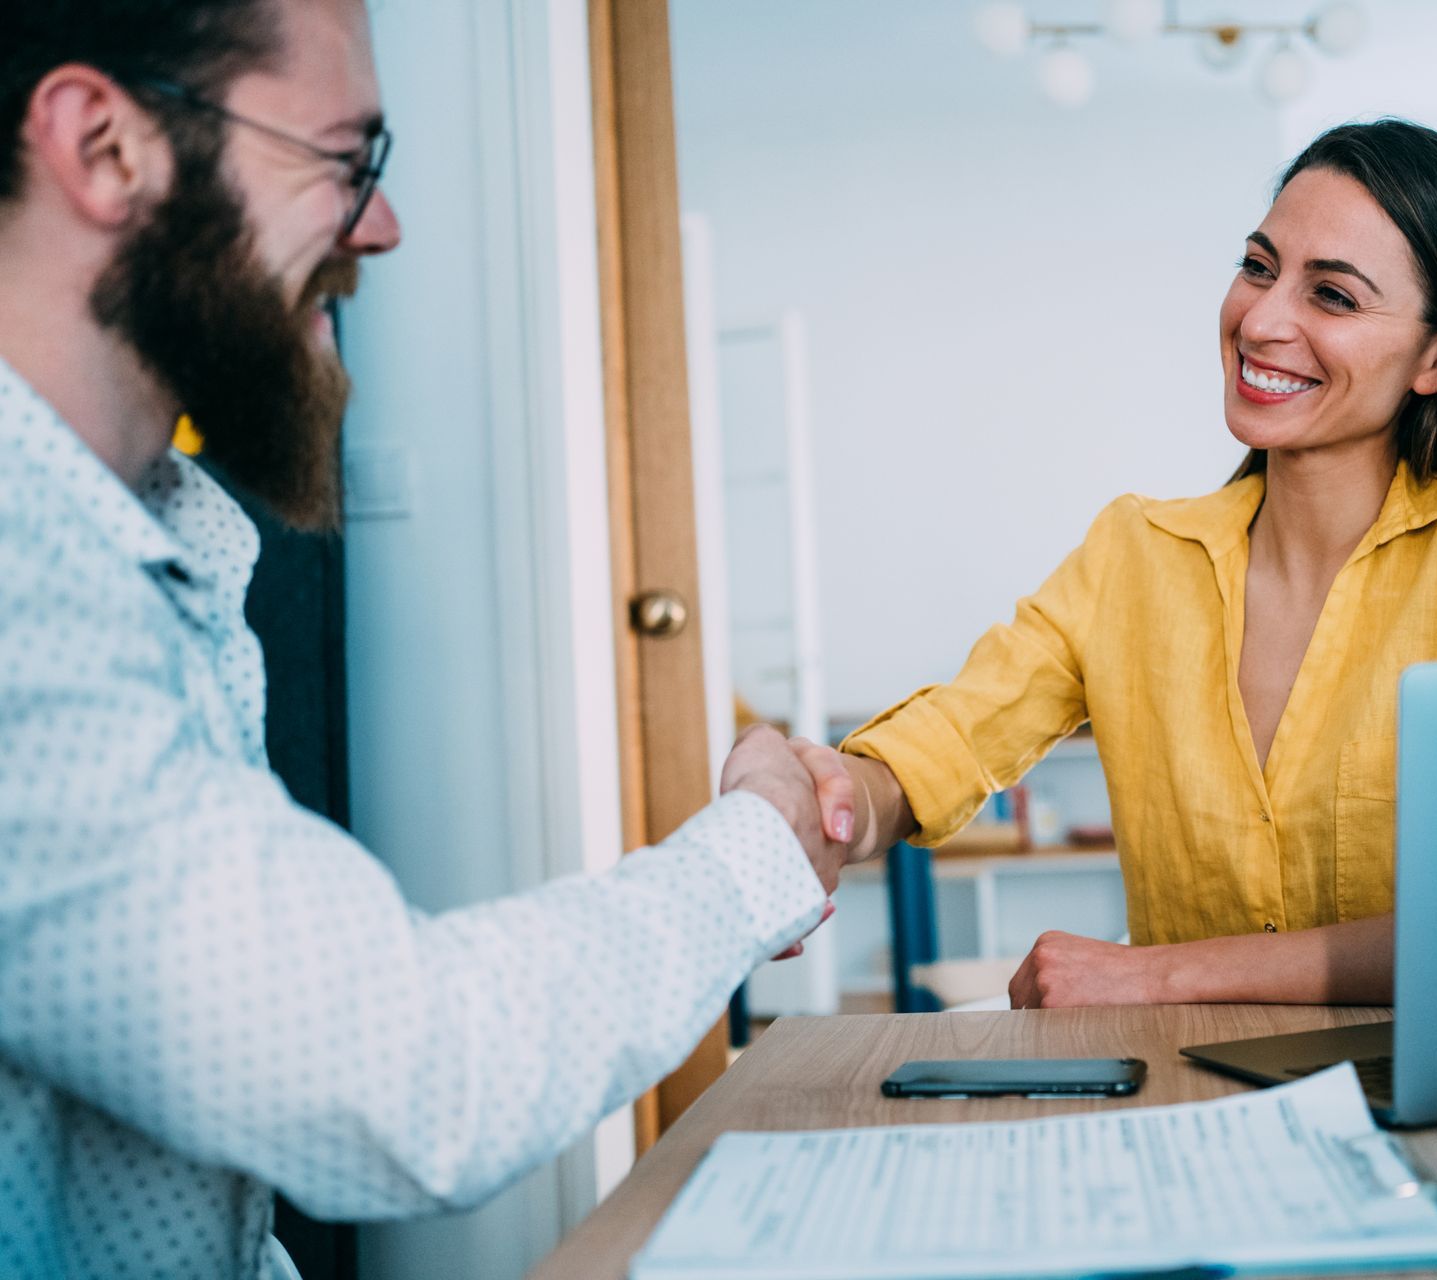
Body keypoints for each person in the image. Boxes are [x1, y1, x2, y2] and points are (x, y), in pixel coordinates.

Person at [0, 2, 859, 1277]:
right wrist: (764, 838)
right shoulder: (24, 589)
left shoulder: (153, 543)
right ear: (105, 145)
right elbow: (409, 1074)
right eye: (345, 160)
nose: (382, 224)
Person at [753, 119, 1437, 1012]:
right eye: (1259, 267)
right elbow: (948, 742)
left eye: (1332, 296)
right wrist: (830, 806)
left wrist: (1155, 975)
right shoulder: (1136, 555)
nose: (1261, 320)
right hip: (1195, 1099)